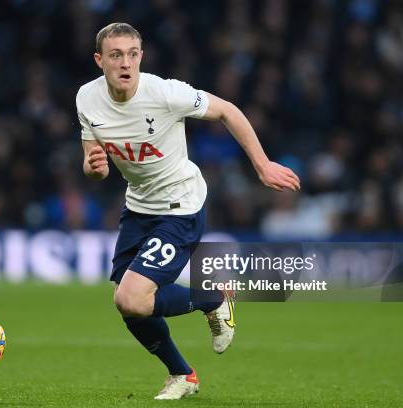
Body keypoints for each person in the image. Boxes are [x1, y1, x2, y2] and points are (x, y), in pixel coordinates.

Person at [76, 23, 300, 400]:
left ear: (141, 57)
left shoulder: (165, 92)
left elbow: (228, 111)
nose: (125, 62)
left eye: (133, 53)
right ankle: (183, 375)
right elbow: (92, 163)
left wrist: (261, 165)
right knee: (129, 305)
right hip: (138, 206)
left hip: (180, 205)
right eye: (116, 55)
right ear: (100, 61)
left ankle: (212, 298)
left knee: (132, 299)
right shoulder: (86, 98)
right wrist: (93, 169)